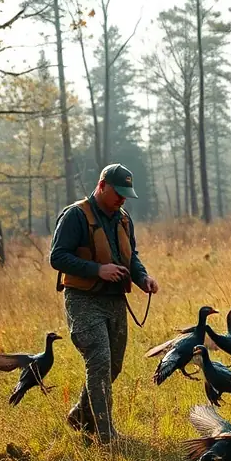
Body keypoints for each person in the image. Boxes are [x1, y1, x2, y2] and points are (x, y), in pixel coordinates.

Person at [50, 163, 158, 443]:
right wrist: (97, 270)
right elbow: (57, 257)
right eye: (118, 193)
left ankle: (79, 415)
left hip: (115, 301)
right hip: (83, 301)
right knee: (98, 363)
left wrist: (143, 278)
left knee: (113, 367)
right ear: (101, 186)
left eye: (126, 194)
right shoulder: (75, 215)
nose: (122, 199)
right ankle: (106, 435)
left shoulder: (123, 218)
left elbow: (130, 255)